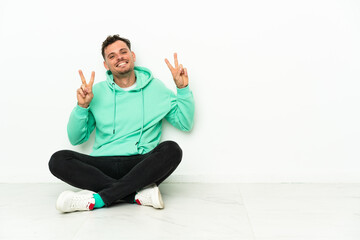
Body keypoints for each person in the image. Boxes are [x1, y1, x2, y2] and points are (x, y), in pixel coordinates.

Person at [48, 35, 194, 213]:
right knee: (58, 160)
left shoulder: (156, 88)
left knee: (172, 149)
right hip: (102, 165)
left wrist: (182, 89)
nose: (119, 57)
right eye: (112, 56)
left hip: (140, 165)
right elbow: (76, 138)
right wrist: (82, 106)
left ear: (132, 56)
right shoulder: (96, 92)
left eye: (123, 52)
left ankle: (99, 199)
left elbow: (185, 124)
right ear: (106, 65)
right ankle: (134, 195)